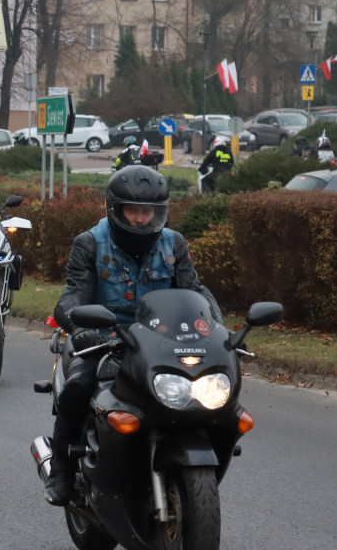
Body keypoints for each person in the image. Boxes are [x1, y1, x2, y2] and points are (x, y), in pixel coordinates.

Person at [43, 166, 223, 506]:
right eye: (134, 211)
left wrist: (218, 330)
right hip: (101, 339)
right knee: (79, 388)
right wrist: (80, 328)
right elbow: (71, 296)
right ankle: (62, 465)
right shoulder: (91, 243)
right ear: (115, 209)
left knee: (207, 393)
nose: (142, 219)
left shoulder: (174, 244)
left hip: (158, 344)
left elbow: (195, 291)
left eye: (149, 212)